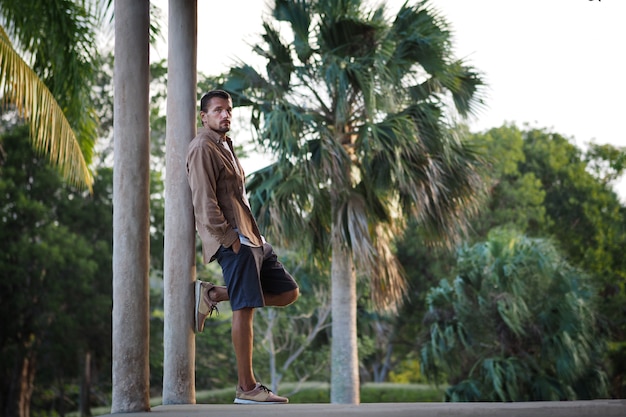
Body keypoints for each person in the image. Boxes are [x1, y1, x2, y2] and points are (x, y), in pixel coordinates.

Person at [186, 89, 299, 405]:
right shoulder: (201, 148)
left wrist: (254, 240)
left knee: (289, 291)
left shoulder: (225, 144)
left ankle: (215, 294)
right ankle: (246, 388)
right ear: (204, 116)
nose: (225, 115)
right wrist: (231, 241)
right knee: (245, 308)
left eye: (229, 110)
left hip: (253, 238)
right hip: (234, 241)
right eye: (218, 110)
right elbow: (204, 202)